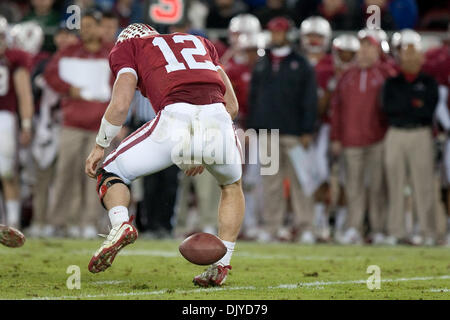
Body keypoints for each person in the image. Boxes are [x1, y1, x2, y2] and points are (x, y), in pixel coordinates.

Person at [84, 23, 244, 288]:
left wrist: (100, 144)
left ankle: (121, 224)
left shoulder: (129, 46)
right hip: (219, 117)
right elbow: (233, 106)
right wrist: (202, 147)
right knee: (231, 185)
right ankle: (223, 262)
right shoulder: (201, 42)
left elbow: (122, 103)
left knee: (110, 172)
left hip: (175, 117)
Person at [247, 16, 318, 243]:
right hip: (268, 133)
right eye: (274, 32)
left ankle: (305, 226)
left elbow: (309, 98)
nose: (277, 36)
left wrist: (307, 129)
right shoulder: (263, 61)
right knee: (271, 183)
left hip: (294, 134)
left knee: (301, 181)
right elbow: (254, 98)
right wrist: (253, 127)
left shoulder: (301, 62)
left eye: (280, 32)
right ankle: (272, 226)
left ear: (288, 33)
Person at [44, 11, 113, 238]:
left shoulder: (111, 53)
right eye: (83, 26)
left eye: (91, 25)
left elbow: (122, 85)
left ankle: (89, 223)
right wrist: (68, 89)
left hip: (100, 127)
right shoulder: (69, 52)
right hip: (72, 123)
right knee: (65, 173)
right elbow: (50, 74)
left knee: (94, 176)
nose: (86, 30)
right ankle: (60, 221)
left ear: (101, 27)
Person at [330, 28, 396, 244]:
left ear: (378, 50)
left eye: (370, 46)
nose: (365, 51)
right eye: (363, 46)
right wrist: (336, 137)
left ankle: (378, 228)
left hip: (378, 139)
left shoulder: (387, 74)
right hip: (351, 140)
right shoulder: (347, 76)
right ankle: (354, 227)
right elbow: (337, 109)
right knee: (353, 187)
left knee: (377, 187)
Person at [382, 30, 438, 246]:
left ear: (421, 56)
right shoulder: (392, 82)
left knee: (423, 185)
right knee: (394, 184)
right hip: (396, 134)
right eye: (406, 52)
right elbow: (389, 108)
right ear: (400, 56)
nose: (409, 56)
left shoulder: (429, 82)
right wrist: (414, 104)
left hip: (420, 133)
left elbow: (427, 111)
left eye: (413, 52)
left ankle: (428, 232)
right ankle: (396, 231)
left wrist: (410, 107)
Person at [0, 16, 34, 230]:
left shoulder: (14, 59)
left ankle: (12, 222)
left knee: (7, 172)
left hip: (5, 118)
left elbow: (24, 94)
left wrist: (27, 124)